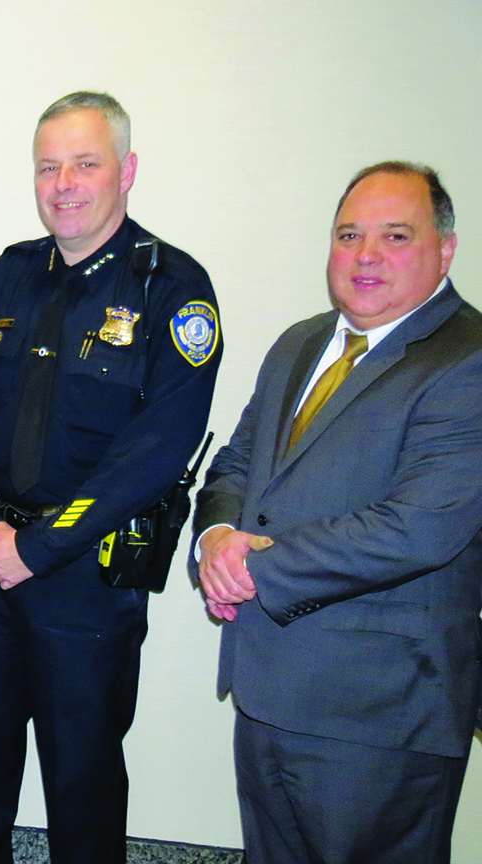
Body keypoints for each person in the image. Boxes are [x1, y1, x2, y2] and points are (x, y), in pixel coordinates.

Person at [0, 91, 222, 864]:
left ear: (126, 171)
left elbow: (157, 449)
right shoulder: (12, 272)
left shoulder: (172, 288)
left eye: (85, 163)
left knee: (83, 786)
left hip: (85, 578)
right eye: (49, 166)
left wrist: (38, 546)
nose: (64, 182)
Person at [192, 162, 482, 864]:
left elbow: (419, 525)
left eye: (395, 235)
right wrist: (217, 537)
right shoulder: (300, 342)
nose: (365, 255)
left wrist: (256, 568)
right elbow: (236, 463)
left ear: (444, 250)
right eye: (349, 234)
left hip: (380, 714)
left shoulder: (466, 359)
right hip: (268, 691)